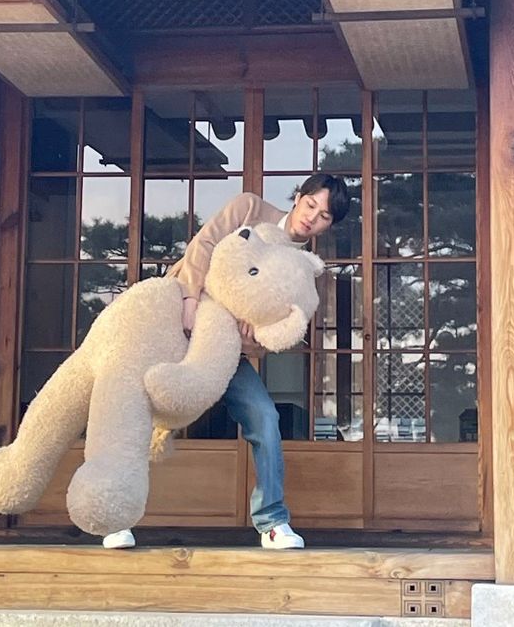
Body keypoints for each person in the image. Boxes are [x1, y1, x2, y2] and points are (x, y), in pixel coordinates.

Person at [102, 172, 350, 551]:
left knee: (265, 418)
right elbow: (203, 246)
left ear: (329, 226)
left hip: (224, 352)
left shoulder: (300, 268)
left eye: (324, 216)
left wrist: (251, 344)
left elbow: (275, 335)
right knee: (135, 410)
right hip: (176, 322)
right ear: (299, 197)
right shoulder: (250, 208)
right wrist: (187, 301)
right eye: (311, 205)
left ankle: (272, 522)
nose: (311, 218)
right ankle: (113, 516)